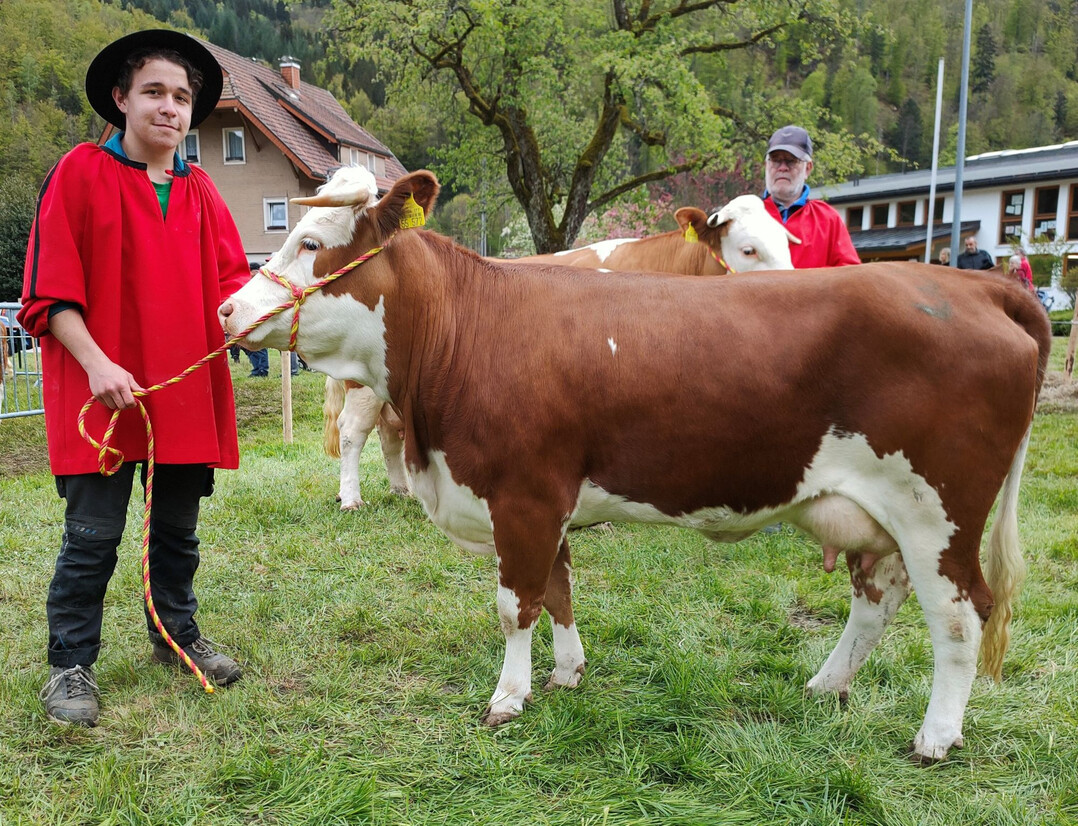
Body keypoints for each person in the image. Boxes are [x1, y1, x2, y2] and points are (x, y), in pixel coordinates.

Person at [18, 30, 250, 727]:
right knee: (93, 537)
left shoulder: (202, 189)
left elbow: (232, 282)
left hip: (181, 395)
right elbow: (47, 294)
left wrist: (253, 317)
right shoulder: (79, 173)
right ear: (121, 99)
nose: (170, 107)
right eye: (154, 91)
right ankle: (70, 666)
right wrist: (96, 364)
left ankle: (175, 637)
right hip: (103, 391)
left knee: (177, 533)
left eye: (182, 97)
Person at [760, 125, 861, 268]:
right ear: (766, 166)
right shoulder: (746, 214)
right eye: (775, 160)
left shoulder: (828, 220)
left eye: (791, 160)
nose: (782, 167)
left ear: (807, 168)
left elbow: (850, 276)